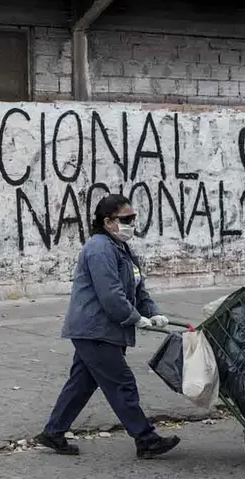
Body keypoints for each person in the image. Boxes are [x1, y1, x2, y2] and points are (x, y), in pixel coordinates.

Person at [36, 194, 182, 459]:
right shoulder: (99, 249)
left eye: (133, 218)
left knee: (81, 383)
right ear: (108, 222)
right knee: (121, 382)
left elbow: (138, 290)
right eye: (126, 219)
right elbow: (111, 296)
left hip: (100, 330)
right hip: (95, 330)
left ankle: (53, 432)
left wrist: (154, 314)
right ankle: (145, 438)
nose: (132, 223)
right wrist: (136, 318)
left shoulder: (121, 249)